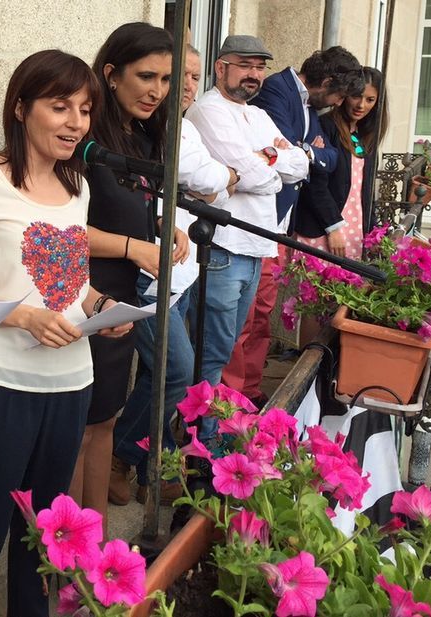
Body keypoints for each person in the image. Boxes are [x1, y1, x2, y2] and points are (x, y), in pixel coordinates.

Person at [0, 49, 130, 617]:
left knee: (45, 540)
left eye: (85, 110)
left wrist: (104, 309)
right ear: (21, 109)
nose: (76, 123)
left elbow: (72, 286)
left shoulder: (77, 186)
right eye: (60, 106)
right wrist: (22, 316)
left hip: (70, 385)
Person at [109, 44, 236, 507]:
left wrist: (171, 217)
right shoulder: (140, 131)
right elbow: (206, 177)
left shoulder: (171, 126)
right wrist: (232, 174)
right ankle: (124, 455)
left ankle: (145, 464)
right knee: (177, 371)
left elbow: (195, 184)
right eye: (164, 76)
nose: (176, 87)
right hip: (145, 272)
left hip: (175, 268)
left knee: (158, 374)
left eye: (184, 77)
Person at [75, 21, 188, 530]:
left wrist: (167, 228)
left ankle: (95, 527)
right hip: (91, 290)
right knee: (88, 420)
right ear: (111, 73)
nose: (157, 91)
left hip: (132, 283)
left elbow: (139, 207)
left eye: (166, 80)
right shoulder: (85, 138)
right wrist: (133, 246)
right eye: (146, 77)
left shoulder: (144, 134)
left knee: (108, 413)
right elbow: (58, 230)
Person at [185, 34, 309, 442]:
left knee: (228, 349)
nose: (254, 75)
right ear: (221, 68)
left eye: (260, 67)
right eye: (245, 65)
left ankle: (208, 438)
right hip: (224, 246)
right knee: (214, 354)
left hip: (257, 245)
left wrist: (269, 158)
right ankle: (205, 444)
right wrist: (270, 161)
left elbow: (299, 165)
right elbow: (253, 173)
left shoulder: (257, 116)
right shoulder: (208, 111)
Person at [222, 46, 361, 402]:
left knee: (261, 315)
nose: (339, 103)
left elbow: (328, 155)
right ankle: (233, 397)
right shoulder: (275, 90)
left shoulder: (309, 107)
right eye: (340, 94)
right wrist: (301, 152)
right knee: (242, 319)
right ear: (327, 82)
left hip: (280, 227)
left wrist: (304, 152)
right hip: (254, 224)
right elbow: (277, 158)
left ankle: (251, 390)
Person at [294, 66, 385, 260]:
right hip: (324, 229)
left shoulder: (365, 136)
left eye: (370, 100)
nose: (361, 105)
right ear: (345, 95)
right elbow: (315, 183)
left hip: (354, 230)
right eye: (356, 96)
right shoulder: (326, 126)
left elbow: (365, 190)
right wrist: (333, 228)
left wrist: (374, 230)